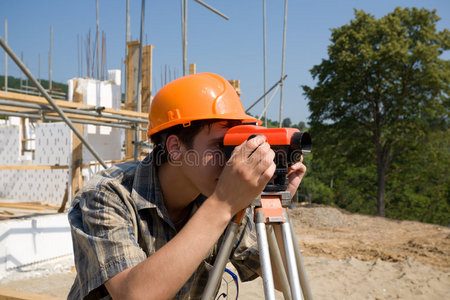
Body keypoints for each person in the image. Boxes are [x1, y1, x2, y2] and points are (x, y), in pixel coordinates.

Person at [68, 72, 306, 299]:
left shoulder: (224, 194)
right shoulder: (107, 194)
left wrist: (275, 203)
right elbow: (133, 295)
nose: (233, 161)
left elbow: (282, 279)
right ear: (175, 147)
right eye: (220, 146)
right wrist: (222, 204)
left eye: (236, 146)